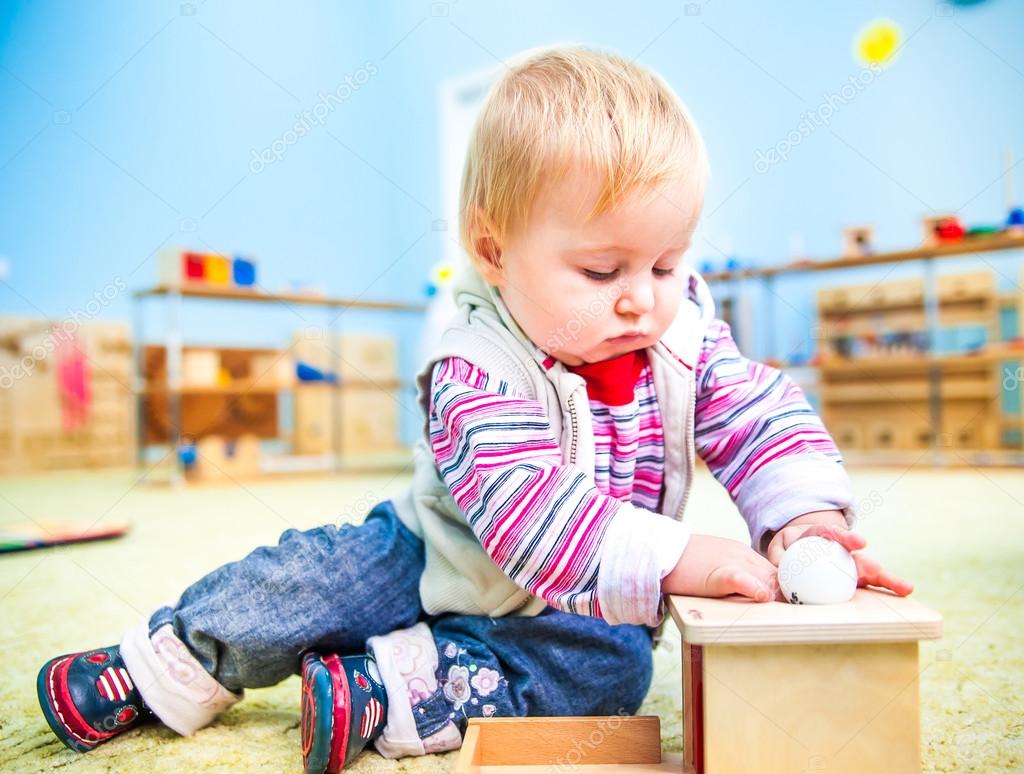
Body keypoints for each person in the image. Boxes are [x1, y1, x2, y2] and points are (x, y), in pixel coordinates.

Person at [36, 45, 913, 773]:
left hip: (579, 597)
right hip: (436, 549)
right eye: (602, 272)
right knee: (309, 576)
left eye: (666, 262)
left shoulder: (682, 337)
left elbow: (757, 413)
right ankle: (170, 662)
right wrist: (684, 553)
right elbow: (528, 515)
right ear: (495, 251)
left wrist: (801, 519)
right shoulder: (471, 367)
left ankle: (401, 683)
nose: (641, 300)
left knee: (614, 673)